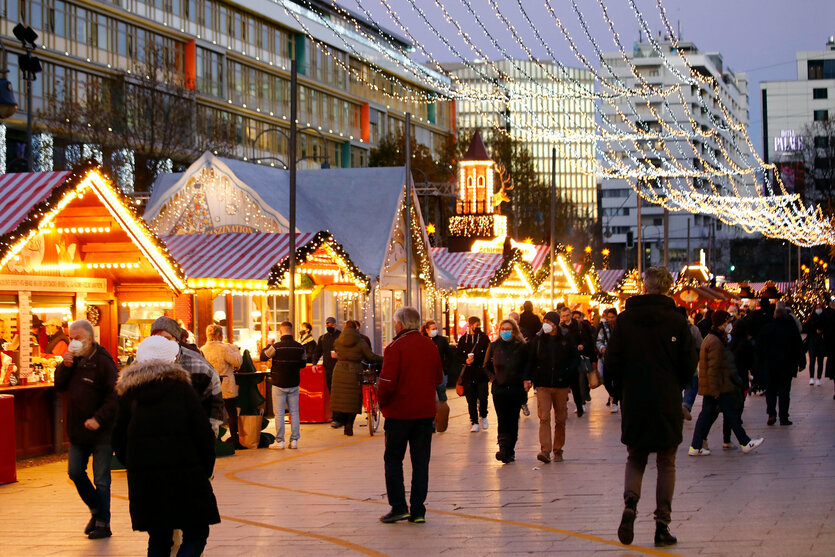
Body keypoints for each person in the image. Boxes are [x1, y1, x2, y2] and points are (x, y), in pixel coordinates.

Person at [604, 267, 697, 548]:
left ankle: (631, 504)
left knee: (636, 457)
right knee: (666, 462)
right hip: (666, 398)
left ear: (644, 287)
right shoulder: (677, 322)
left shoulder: (625, 320)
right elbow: (689, 363)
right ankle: (662, 525)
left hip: (634, 397)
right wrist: (676, 386)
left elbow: (611, 362)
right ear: (668, 288)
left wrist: (619, 392)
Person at [113, 336, 220, 556]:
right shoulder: (182, 390)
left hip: (146, 480)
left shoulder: (129, 394)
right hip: (186, 477)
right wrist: (205, 469)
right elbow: (202, 433)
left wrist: (134, 465)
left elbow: (118, 438)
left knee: (159, 537)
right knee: (197, 531)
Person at [377, 307, 443, 523]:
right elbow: (439, 377)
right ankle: (418, 510)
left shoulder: (395, 347)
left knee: (394, 459)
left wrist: (382, 402)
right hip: (424, 413)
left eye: (396, 322)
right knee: (421, 462)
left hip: (399, 413)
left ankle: (398, 507)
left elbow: (387, 382)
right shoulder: (429, 345)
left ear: (401, 324)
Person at [53, 319, 119, 540]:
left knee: (101, 478)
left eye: (77, 338)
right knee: (75, 472)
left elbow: (114, 395)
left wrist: (99, 418)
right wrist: (65, 366)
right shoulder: (74, 362)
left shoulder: (103, 362)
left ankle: (103, 523)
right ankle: (97, 510)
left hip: (101, 430)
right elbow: (59, 386)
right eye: (71, 338)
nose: (73, 342)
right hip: (78, 430)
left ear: (90, 339)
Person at [689, 310, 764, 456]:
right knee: (731, 414)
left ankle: (695, 446)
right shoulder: (715, 342)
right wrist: (716, 390)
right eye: (727, 322)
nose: (729, 325)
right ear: (721, 323)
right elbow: (714, 368)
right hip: (718, 387)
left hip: (714, 387)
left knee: (707, 417)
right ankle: (745, 442)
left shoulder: (713, 339)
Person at [151, 316, 224, 435]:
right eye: (157, 339)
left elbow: (213, 399)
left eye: (166, 338)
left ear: (176, 340)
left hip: (189, 436)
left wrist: (209, 433)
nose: (162, 343)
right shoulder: (141, 365)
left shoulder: (197, 365)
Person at [526, 311, 579, 464]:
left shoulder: (566, 338)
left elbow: (575, 358)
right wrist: (528, 378)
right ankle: (545, 450)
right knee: (544, 417)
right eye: (545, 321)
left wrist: (568, 372)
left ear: (556, 324)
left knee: (560, 419)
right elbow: (531, 359)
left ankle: (558, 449)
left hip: (561, 385)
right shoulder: (539, 339)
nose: (546, 324)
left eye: (550, 322)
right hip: (543, 385)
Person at [484, 319, 530, 463]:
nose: (505, 331)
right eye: (503, 329)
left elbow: (527, 366)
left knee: (512, 419)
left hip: (516, 389)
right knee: (502, 419)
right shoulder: (493, 346)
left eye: (508, 329)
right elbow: (485, 366)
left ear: (514, 330)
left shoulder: (521, 347)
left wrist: (526, 380)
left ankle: (510, 449)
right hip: (500, 389)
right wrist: (493, 378)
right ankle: (503, 449)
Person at [261, 321, 307, 449]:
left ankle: (280, 441)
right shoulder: (300, 347)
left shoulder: (276, 347)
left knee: (279, 414)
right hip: (293, 383)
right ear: (291, 331)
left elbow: (263, 357)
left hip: (278, 383)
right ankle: (294, 441)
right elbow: (303, 364)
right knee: (294, 412)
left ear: (281, 332)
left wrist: (269, 344)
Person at [331, 320, 382, 436]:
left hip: (339, 370)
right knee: (353, 400)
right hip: (355, 371)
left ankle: (343, 423)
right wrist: (381, 359)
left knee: (340, 399)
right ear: (356, 328)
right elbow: (370, 356)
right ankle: (349, 424)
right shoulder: (360, 341)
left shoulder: (338, 341)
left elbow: (336, 352)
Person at [758, 302, 805, 426]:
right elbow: (799, 347)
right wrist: (802, 363)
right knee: (784, 391)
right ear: (785, 316)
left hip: (770, 365)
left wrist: (759, 364)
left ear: (774, 316)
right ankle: (784, 417)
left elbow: (759, 348)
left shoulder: (766, 328)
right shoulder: (791, 329)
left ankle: (771, 414)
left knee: (771, 390)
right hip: (787, 366)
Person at [200, 324, 243, 450]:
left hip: (210, 386)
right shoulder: (224, 348)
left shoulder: (202, 349)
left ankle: (212, 441)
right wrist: (235, 349)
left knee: (212, 414)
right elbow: (237, 361)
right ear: (220, 335)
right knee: (231, 413)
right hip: (226, 386)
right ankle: (235, 441)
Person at [457, 316, 491, 432]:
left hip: (481, 373)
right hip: (468, 373)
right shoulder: (463, 339)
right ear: (470, 325)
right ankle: (474, 421)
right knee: (470, 399)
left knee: (483, 396)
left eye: (479, 324)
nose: (477, 327)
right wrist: (465, 361)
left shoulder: (484, 338)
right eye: (475, 325)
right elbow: (458, 355)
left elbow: (488, 354)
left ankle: (484, 415)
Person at [557, 307, 586, 417]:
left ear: (571, 315)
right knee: (563, 386)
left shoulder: (577, 325)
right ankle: (563, 409)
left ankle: (579, 406)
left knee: (575, 385)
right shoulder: (560, 327)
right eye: (563, 316)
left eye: (567, 315)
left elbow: (585, 339)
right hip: (563, 359)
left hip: (575, 357)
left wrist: (581, 345)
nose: (565, 318)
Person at [679, 306, 705, 422]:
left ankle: (677, 409)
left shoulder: (669, 329)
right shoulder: (693, 329)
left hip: (673, 363)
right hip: (690, 361)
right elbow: (700, 345)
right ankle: (686, 405)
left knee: (676, 387)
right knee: (692, 385)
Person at [421, 320, 453, 403]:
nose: (435, 330)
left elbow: (449, 354)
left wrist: (446, 366)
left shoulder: (442, 340)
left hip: (440, 369)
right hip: (427, 371)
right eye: (432, 329)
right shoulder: (423, 340)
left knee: (441, 390)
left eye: (436, 328)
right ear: (427, 330)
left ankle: (442, 409)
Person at [314, 317, 341, 412]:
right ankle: (335, 413)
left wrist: (339, 354)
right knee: (331, 391)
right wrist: (314, 363)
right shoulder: (323, 338)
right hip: (328, 368)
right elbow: (318, 352)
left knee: (338, 391)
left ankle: (338, 416)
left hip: (339, 368)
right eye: (327, 324)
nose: (329, 326)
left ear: (335, 325)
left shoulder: (341, 336)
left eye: (331, 325)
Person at [596, 308, 619, 413]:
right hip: (606, 358)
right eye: (609, 317)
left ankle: (615, 402)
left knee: (617, 380)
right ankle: (612, 394)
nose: (611, 319)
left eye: (612, 317)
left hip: (618, 359)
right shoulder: (603, 327)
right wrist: (602, 348)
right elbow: (599, 340)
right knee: (605, 379)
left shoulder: (620, 327)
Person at [803, 302, 827, 386]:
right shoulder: (811, 318)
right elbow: (806, 328)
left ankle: (819, 378)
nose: (818, 309)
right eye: (817, 308)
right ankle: (812, 377)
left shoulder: (825, 318)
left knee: (820, 360)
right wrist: (815, 331)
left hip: (821, 341)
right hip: (812, 341)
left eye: (820, 307)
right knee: (812, 359)